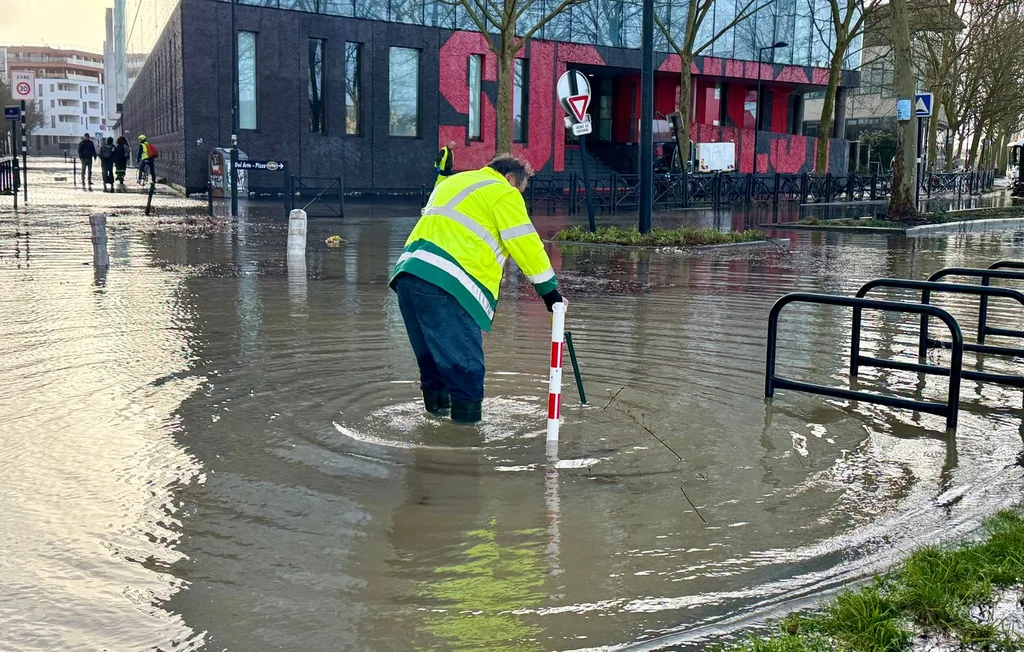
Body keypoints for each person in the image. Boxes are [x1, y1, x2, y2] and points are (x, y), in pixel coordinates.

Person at [390, 153, 564, 424]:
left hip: (408, 275)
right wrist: (550, 293)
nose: (520, 196)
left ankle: (434, 434)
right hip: (449, 283)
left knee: (433, 366)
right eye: (521, 188)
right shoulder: (502, 192)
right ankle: (466, 445)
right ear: (509, 178)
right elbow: (525, 243)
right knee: (465, 369)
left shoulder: (453, 182)